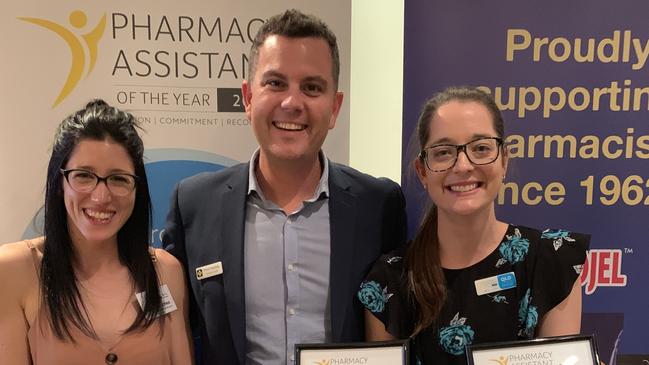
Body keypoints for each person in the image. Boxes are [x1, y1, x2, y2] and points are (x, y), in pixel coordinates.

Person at [162, 9, 407, 365]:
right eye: (275, 83)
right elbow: (170, 329)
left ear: (335, 108)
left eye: (311, 87)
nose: (292, 103)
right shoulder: (194, 204)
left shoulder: (379, 205)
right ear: (248, 98)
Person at [358, 86, 589, 364]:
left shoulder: (550, 261)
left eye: (481, 148)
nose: (463, 165)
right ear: (422, 171)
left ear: (504, 160)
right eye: (443, 152)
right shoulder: (388, 281)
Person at [0, 100, 193, 365]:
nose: (101, 196)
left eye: (118, 178)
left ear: (137, 189)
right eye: (84, 176)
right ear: (60, 183)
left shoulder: (164, 271)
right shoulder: (16, 269)